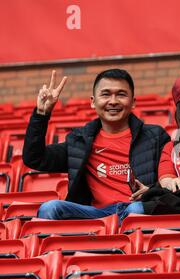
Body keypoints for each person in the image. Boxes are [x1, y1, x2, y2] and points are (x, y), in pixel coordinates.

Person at [23, 69, 170, 220]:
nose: (113, 101)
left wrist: (151, 191)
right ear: (93, 102)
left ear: (133, 102)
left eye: (121, 94)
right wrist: (41, 115)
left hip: (138, 208)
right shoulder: (78, 140)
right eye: (106, 94)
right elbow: (35, 158)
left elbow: (174, 178)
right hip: (96, 214)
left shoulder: (155, 136)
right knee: (50, 208)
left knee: (136, 210)